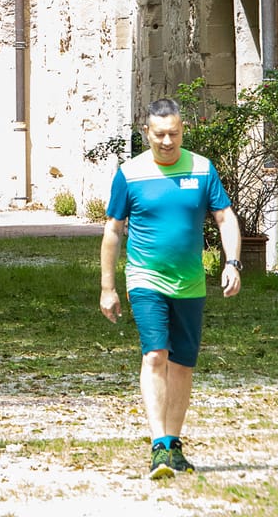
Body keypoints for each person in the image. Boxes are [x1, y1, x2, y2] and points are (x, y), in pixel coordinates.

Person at [100, 97, 242, 479]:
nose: (167, 142)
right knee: (155, 356)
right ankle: (159, 445)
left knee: (182, 365)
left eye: (174, 134)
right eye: (160, 134)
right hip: (145, 278)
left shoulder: (201, 168)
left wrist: (232, 263)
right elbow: (113, 231)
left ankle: (175, 444)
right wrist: (108, 287)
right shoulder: (130, 174)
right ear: (146, 132)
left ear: (183, 131)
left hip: (191, 283)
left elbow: (225, 216)